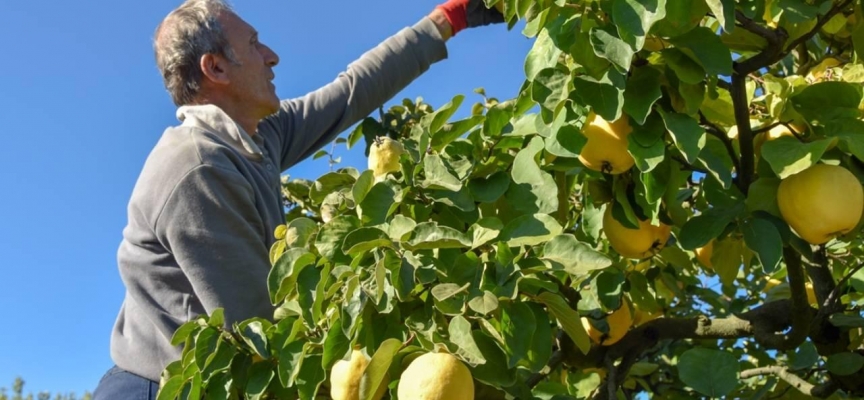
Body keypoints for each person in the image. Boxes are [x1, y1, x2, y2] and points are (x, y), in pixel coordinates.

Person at [92, 0, 504, 398]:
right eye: (254, 44)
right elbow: (258, 328)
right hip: (156, 388)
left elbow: (349, 94)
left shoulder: (254, 137)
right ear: (215, 67)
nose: (272, 57)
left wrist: (446, 20)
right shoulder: (198, 168)